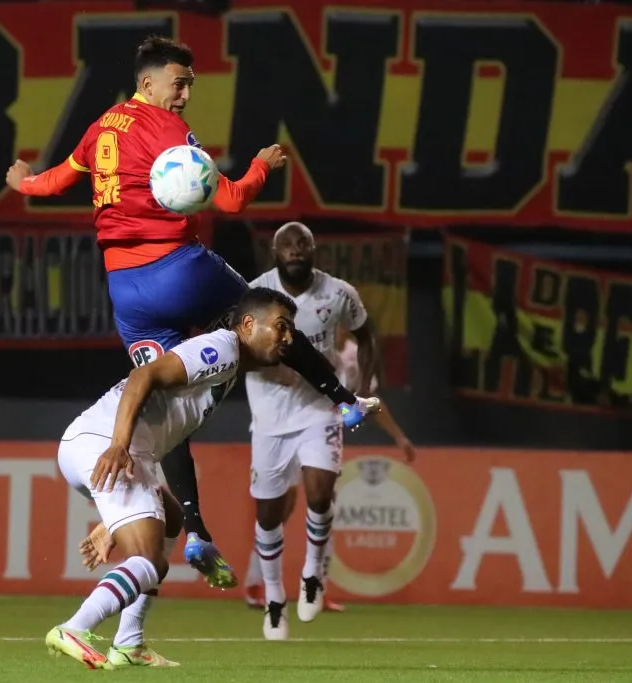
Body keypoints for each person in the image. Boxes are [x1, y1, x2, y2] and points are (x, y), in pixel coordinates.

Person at [6, 36, 377, 590]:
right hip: (179, 267)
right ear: (149, 81)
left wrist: (21, 182)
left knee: (164, 407)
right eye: (179, 83)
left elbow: (54, 179)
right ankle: (344, 402)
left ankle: (197, 531)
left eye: (189, 86)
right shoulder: (166, 130)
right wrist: (258, 165)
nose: (184, 95)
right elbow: (230, 200)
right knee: (268, 315)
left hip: (126, 293)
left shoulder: (100, 128)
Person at [48, 287, 337, 669]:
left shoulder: (229, 370)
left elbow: (164, 435)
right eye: (281, 327)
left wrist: (112, 517)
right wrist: (117, 445)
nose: (288, 338)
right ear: (247, 325)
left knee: (170, 520)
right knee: (148, 560)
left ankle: (130, 642)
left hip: (105, 449)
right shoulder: (223, 348)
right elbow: (142, 376)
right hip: (106, 446)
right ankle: (74, 628)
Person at [240, 222, 385, 639]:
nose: (296, 250)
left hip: (318, 408)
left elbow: (367, 335)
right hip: (268, 415)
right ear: (274, 252)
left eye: (303, 243)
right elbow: (236, 346)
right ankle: (272, 598)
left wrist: (358, 390)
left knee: (320, 494)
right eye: (287, 244)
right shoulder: (255, 294)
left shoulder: (338, 293)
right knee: (268, 515)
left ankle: (312, 574)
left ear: (315, 249)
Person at [243, 322, 417, 613]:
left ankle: (317, 588)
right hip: (282, 431)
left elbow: (370, 401)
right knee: (280, 509)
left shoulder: (351, 354)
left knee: (325, 503)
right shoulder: (294, 342)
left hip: (321, 434)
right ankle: (255, 583)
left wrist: (399, 437)